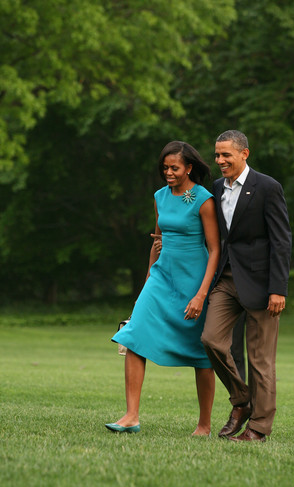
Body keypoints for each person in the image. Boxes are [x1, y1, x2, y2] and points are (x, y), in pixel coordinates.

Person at [105, 141, 220, 436]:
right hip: (160, 277)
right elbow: (158, 239)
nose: (168, 173)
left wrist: (201, 294)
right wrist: (147, 280)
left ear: (189, 168)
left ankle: (204, 425)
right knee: (133, 336)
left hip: (194, 280)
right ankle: (131, 416)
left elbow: (215, 249)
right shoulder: (159, 196)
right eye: (164, 168)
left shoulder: (203, 199)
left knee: (201, 353)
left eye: (174, 168)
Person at [201, 130, 292, 442]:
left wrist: (278, 288)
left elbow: (281, 241)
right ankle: (242, 401)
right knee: (211, 340)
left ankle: (258, 428)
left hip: (262, 285)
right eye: (217, 155)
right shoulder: (215, 188)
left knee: (260, 361)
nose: (220, 160)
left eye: (226, 155)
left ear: (244, 154)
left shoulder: (267, 187)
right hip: (226, 280)